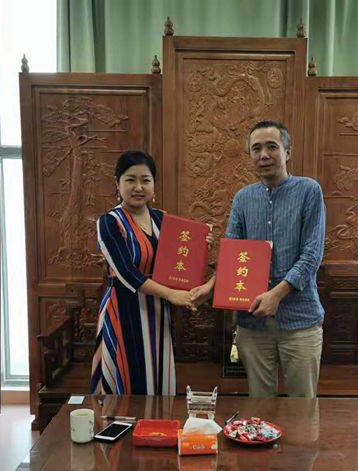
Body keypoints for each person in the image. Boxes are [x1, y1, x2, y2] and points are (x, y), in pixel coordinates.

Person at [191, 120, 326, 398]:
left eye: (272, 147)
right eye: (256, 149)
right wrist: (210, 287)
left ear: (287, 152)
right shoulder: (243, 198)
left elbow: (312, 254)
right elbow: (232, 255)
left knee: (303, 405)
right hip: (252, 322)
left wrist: (276, 294)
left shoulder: (309, 191)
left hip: (300, 319)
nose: (263, 155)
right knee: (260, 405)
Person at [91, 150, 207, 396]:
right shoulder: (109, 222)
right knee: (127, 378)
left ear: (154, 184)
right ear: (117, 183)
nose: (138, 187)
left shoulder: (162, 220)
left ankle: (157, 422)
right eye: (130, 179)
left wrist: (200, 245)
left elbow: (178, 262)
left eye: (145, 180)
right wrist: (171, 294)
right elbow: (126, 272)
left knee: (157, 374)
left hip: (156, 310)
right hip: (123, 308)